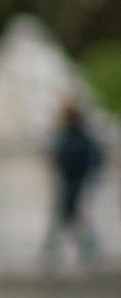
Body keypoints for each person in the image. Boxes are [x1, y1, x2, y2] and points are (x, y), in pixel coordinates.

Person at [43, 102, 105, 264]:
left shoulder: (71, 136)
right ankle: (84, 249)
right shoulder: (78, 136)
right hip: (74, 180)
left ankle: (53, 252)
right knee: (72, 216)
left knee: (67, 215)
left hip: (71, 180)